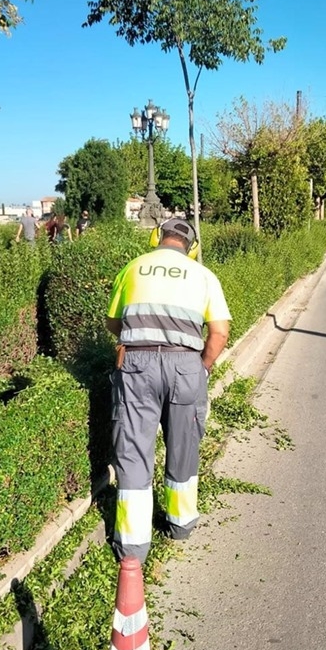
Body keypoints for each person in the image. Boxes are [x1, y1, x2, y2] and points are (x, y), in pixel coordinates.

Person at [105, 217, 231, 564]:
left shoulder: (133, 268)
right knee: (183, 444)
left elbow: (114, 322)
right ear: (192, 247)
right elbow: (219, 333)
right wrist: (201, 366)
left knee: (133, 450)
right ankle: (180, 524)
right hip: (186, 365)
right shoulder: (203, 275)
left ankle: (132, 546)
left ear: (156, 238)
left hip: (137, 365)